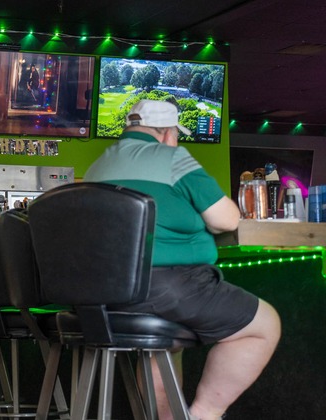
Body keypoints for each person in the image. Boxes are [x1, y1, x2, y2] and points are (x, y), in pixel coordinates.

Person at [83, 99, 281, 420]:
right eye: (176, 133)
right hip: (166, 287)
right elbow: (227, 221)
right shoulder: (173, 157)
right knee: (264, 325)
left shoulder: (98, 166)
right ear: (164, 132)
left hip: (100, 297)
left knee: (160, 346)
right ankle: (205, 414)